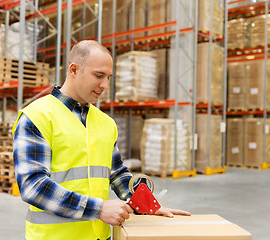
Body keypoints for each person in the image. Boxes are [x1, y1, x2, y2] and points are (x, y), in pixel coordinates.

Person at [13, 40, 190, 240]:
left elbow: (117, 174)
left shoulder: (105, 123)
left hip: (100, 237)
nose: (105, 85)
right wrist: (98, 209)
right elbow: (33, 187)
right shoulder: (37, 117)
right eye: (98, 75)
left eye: (108, 77)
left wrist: (148, 206)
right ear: (73, 70)